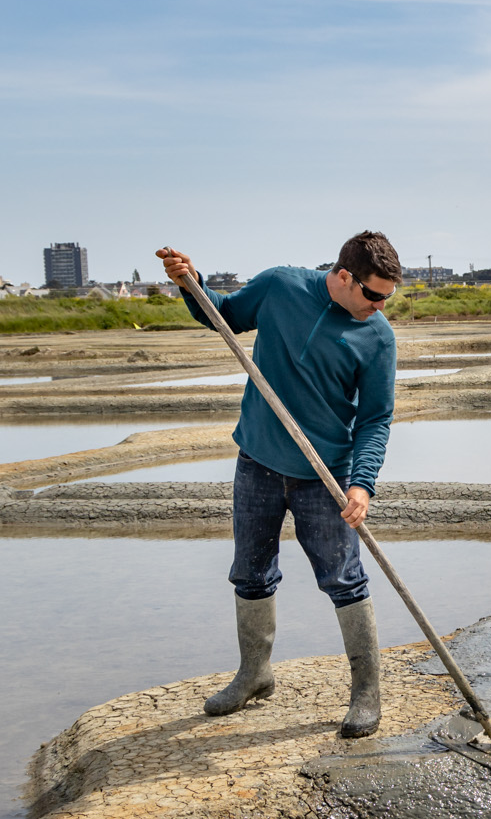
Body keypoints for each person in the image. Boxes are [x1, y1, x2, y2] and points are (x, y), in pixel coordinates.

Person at [155, 231, 401, 737]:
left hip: (325, 476)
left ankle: (366, 693)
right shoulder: (279, 287)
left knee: (343, 580)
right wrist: (190, 283)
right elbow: (220, 314)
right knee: (249, 572)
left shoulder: (377, 337)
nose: (379, 307)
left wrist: (362, 484)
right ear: (343, 276)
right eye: (373, 295)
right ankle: (254, 674)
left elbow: (376, 418)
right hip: (259, 463)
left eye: (387, 299)